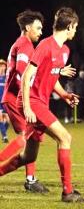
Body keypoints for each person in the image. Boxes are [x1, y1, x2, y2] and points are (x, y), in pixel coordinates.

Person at [0, 7, 84, 202]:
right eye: (75, 27)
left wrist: (66, 95)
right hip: (33, 103)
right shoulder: (45, 45)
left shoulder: (64, 51)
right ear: (70, 26)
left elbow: (51, 77)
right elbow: (26, 77)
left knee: (28, 157)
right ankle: (67, 192)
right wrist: (26, 107)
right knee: (65, 138)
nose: (76, 31)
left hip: (40, 103)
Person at [0, 10, 49, 192]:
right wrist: (29, 99)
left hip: (15, 97)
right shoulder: (24, 44)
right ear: (27, 28)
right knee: (26, 138)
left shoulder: (22, 44)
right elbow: (22, 70)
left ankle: (31, 179)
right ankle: (29, 179)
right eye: (38, 28)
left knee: (31, 138)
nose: (40, 31)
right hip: (15, 98)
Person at [0, 59, 9, 143]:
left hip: (5, 102)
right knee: (0, 119)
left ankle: (3, 133)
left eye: (3, 65)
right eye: (0, 66)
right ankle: (5, 137)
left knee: (8, 121)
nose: (2, 67)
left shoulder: (7, 78)